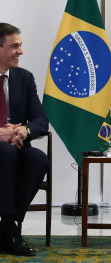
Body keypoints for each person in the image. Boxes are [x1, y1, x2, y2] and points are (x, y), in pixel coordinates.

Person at [0, 23, 49, 256]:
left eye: (21, 45)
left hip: (17, 145)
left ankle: (8, 227)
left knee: (39, 158)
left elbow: (40, 119)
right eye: (14, 46)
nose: (20, 51)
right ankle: (10, 231)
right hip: (3, 148)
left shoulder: (24, 78)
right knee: (6, 152)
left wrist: (24, 131)